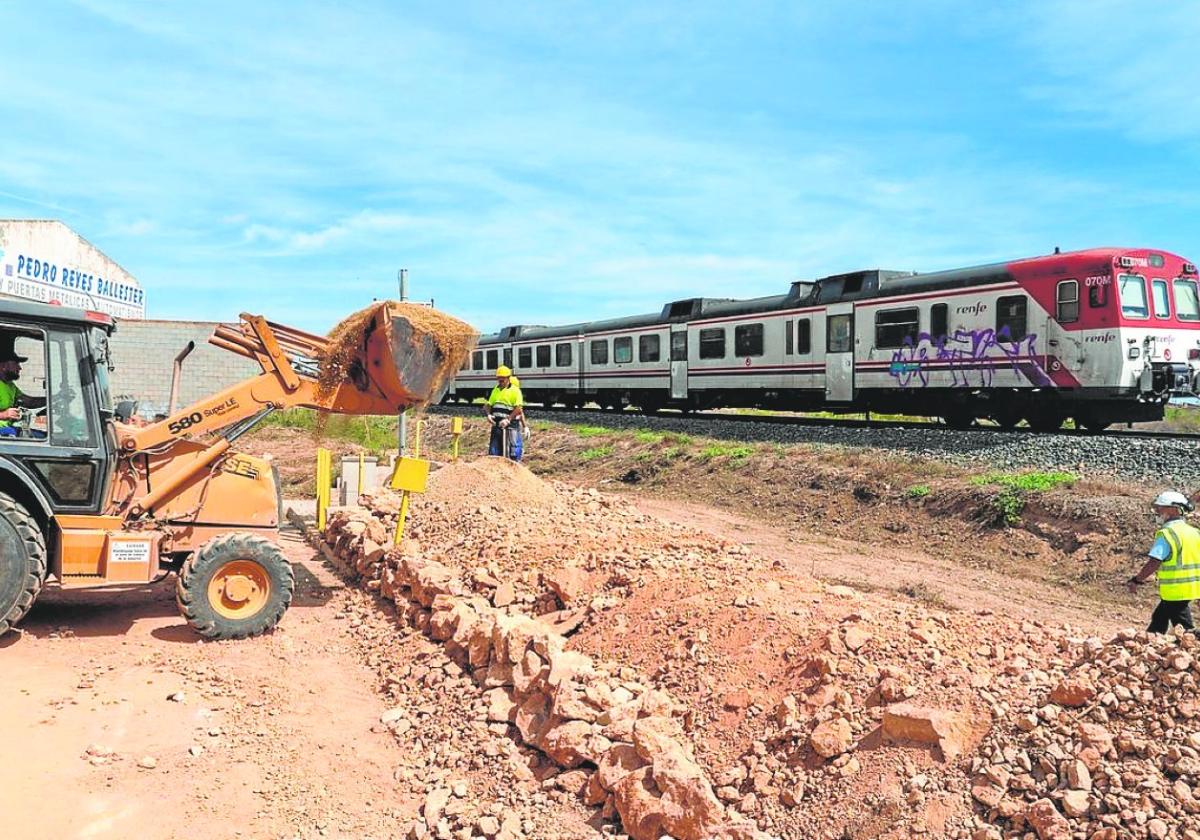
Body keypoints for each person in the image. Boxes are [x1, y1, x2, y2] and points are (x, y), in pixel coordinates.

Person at [1128, 490, 1200, 633]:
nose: (1158, 511)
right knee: (1159, 617)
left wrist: (1137, 580)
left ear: (1174, 509)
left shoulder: (1167, 533)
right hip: (1192, 588)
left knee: (1186, 630)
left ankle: (1191, 648)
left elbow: (1155, 561)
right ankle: (1150, 642)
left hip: (1175, 590)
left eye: (1161, 507)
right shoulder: (1194, 532)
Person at [0, 342, 46, 437]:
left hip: (8, 430)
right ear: (3, 366)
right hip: (3, 433)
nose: (19, 368)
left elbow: (29, 402)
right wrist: (4, 414)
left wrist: (50, 400)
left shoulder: (10, 385)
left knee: (42, 436)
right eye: (16, 363)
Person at [485, 365, 524, 461]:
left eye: (502, 380)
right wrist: (488, 414)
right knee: (494, 451)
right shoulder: (496, 389)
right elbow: (488, 405)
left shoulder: (515, 391)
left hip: (510, 426)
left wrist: (508, 419)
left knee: (511, 451)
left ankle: (512, 469)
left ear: (508, 378)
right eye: (499, 379)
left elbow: (518, 408)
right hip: (497, 425)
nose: (500, 382)